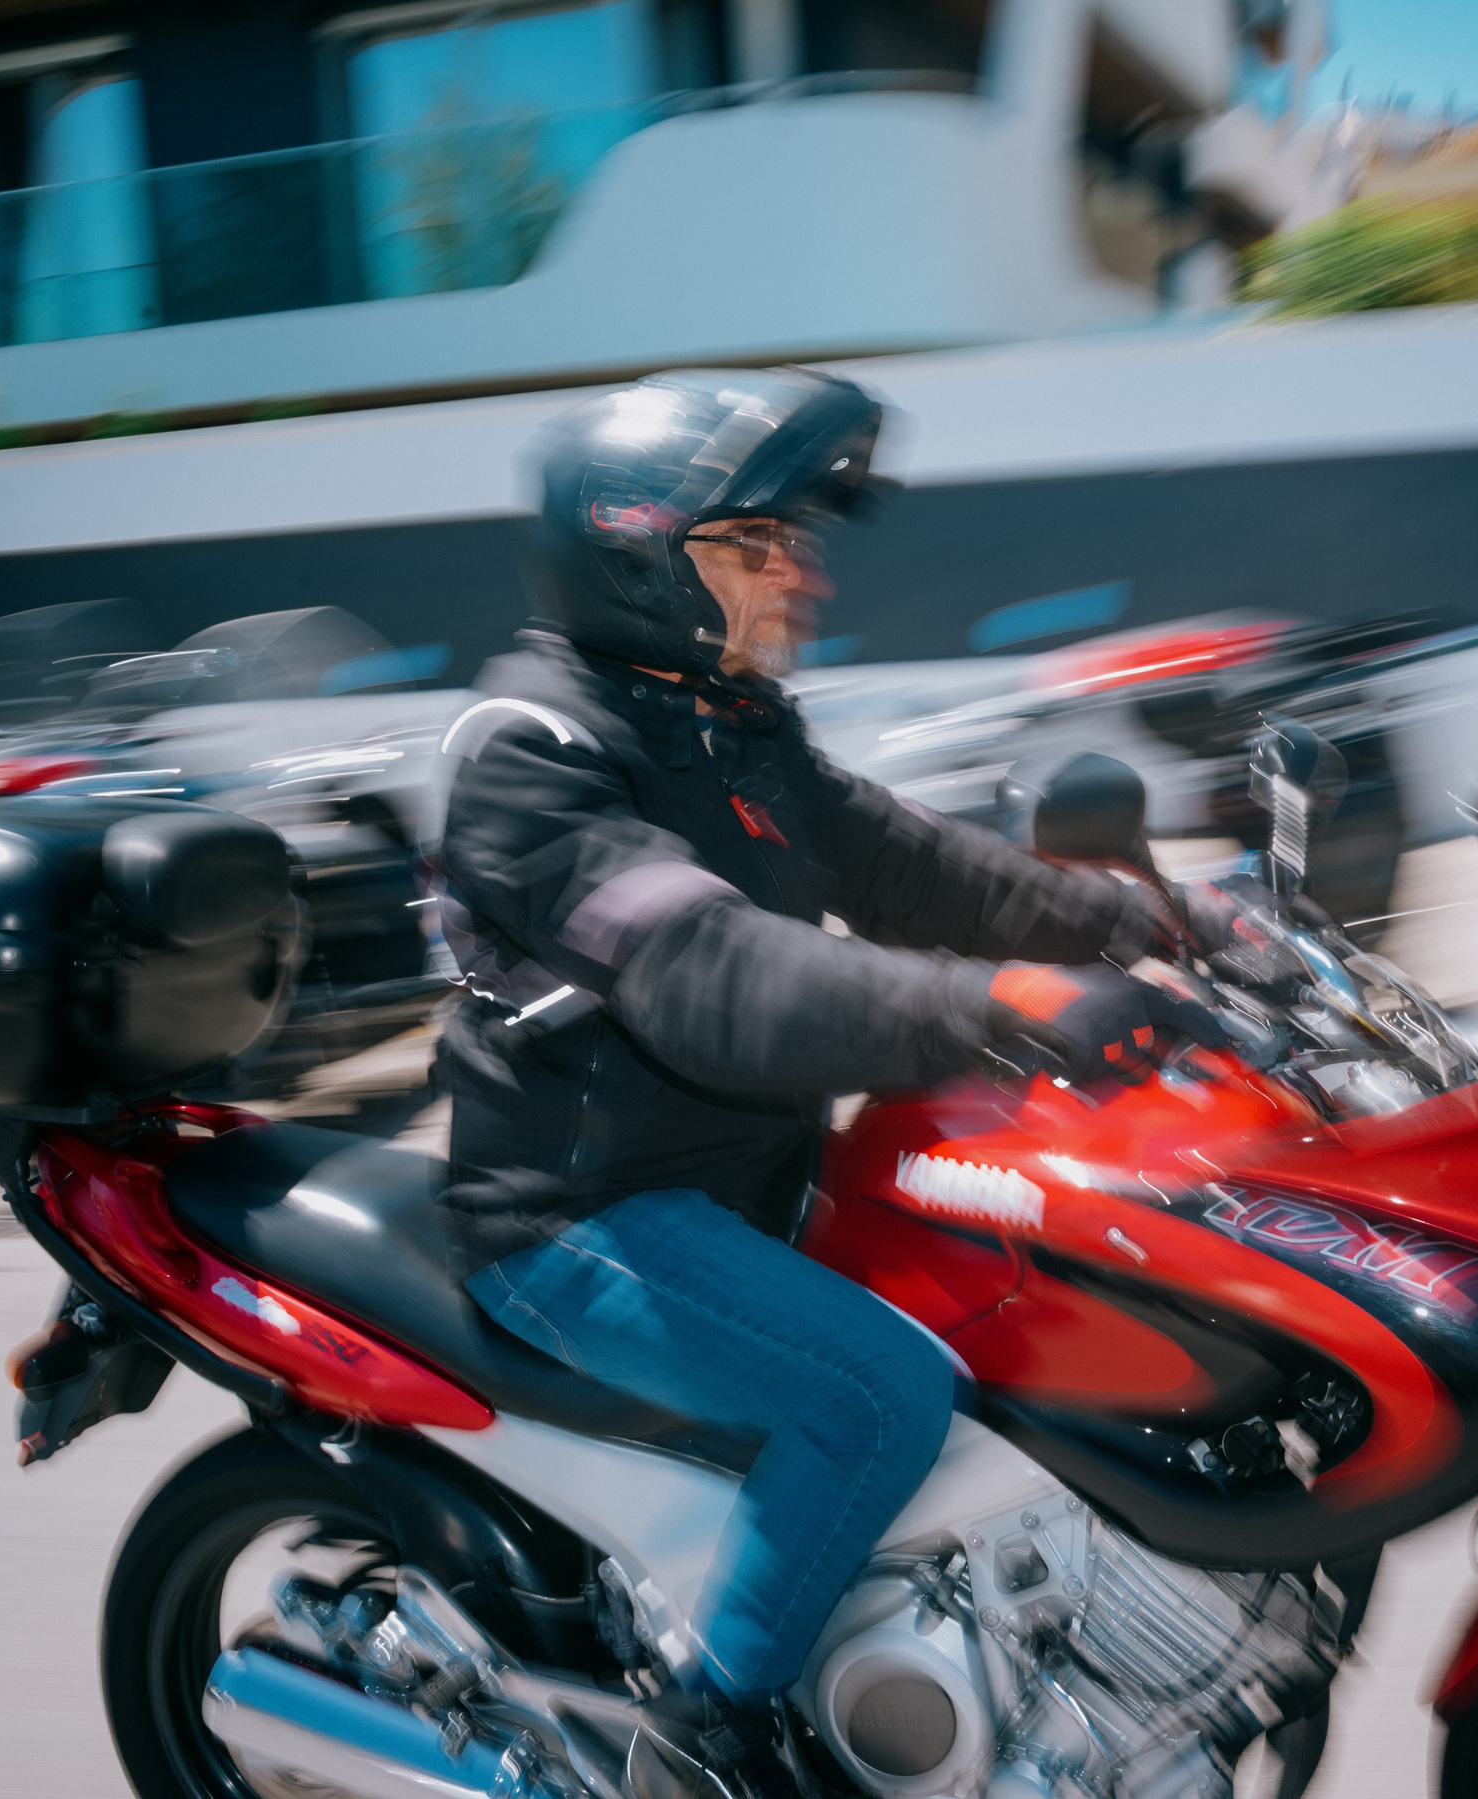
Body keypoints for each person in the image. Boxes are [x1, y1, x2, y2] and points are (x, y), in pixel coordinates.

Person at [433, 368, 1213, 1787]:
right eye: (762, 544)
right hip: (583, 1217)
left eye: (802, 540)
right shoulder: (533, 752)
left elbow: (914, 863)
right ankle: (710, 1733)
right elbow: (712, 973)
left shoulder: (732, 724)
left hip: (749, 1189)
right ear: (639, 549)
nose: (807, 576)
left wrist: (1152, 922)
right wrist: (1008, 1003)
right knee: (879, 1396)